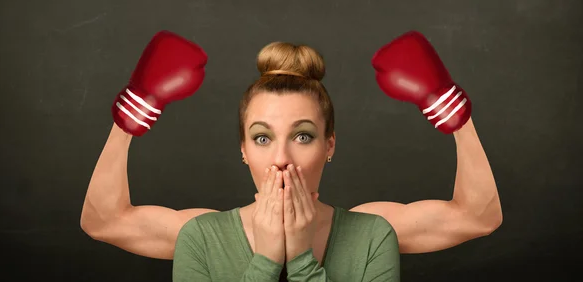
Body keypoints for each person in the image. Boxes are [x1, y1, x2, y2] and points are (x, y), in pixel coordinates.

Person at [80, 30, 503, 281]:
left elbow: (478, 217)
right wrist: (130, 116)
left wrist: (453, 113)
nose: (282, 158)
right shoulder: (203, 237)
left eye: (302, 136)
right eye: (262, 139)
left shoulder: (371, 234)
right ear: (243, 151)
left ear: (330, 145)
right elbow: (103, 221)